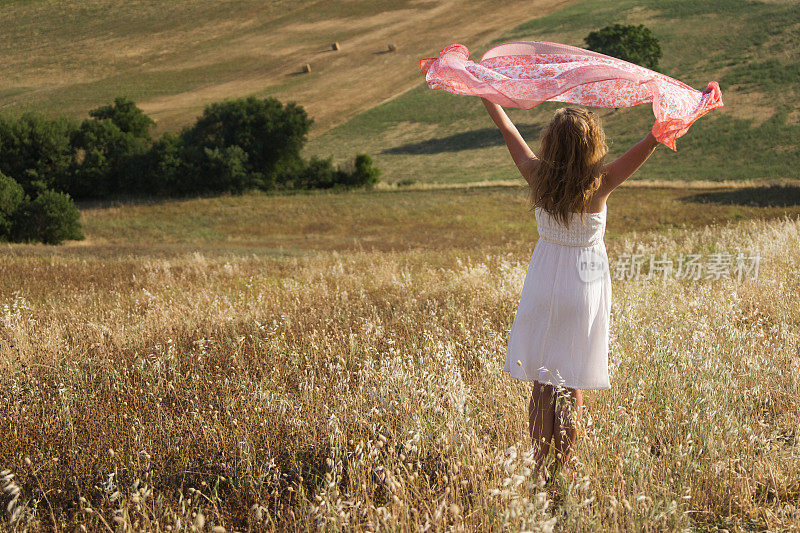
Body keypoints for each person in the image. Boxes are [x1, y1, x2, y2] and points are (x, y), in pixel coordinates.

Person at [481, 98, 659, 484]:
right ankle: (566, 464)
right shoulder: (602, 180)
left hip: (544, 280)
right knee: (572, 380)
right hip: (584, 285)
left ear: (551, 143)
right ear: (592, 144)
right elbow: (652, 141)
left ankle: (540, 465)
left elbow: (508, 131)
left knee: (542, 382)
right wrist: (681, 115)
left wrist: (486, 94)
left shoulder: (535, 175)